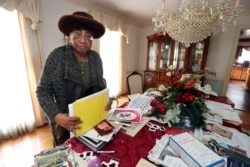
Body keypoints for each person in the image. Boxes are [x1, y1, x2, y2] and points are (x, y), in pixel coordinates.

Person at [36, 11, 111, 146]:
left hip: (90, 117)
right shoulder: (56, 57)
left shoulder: (95, 58)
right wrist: (56, 116)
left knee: (90, 151)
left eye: (88, 36)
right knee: (68, 154)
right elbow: (42, 91)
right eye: (77, 33)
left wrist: (106, 100)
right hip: (65, 122)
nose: (83, 40)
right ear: (68, 35)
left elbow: (100, 87)